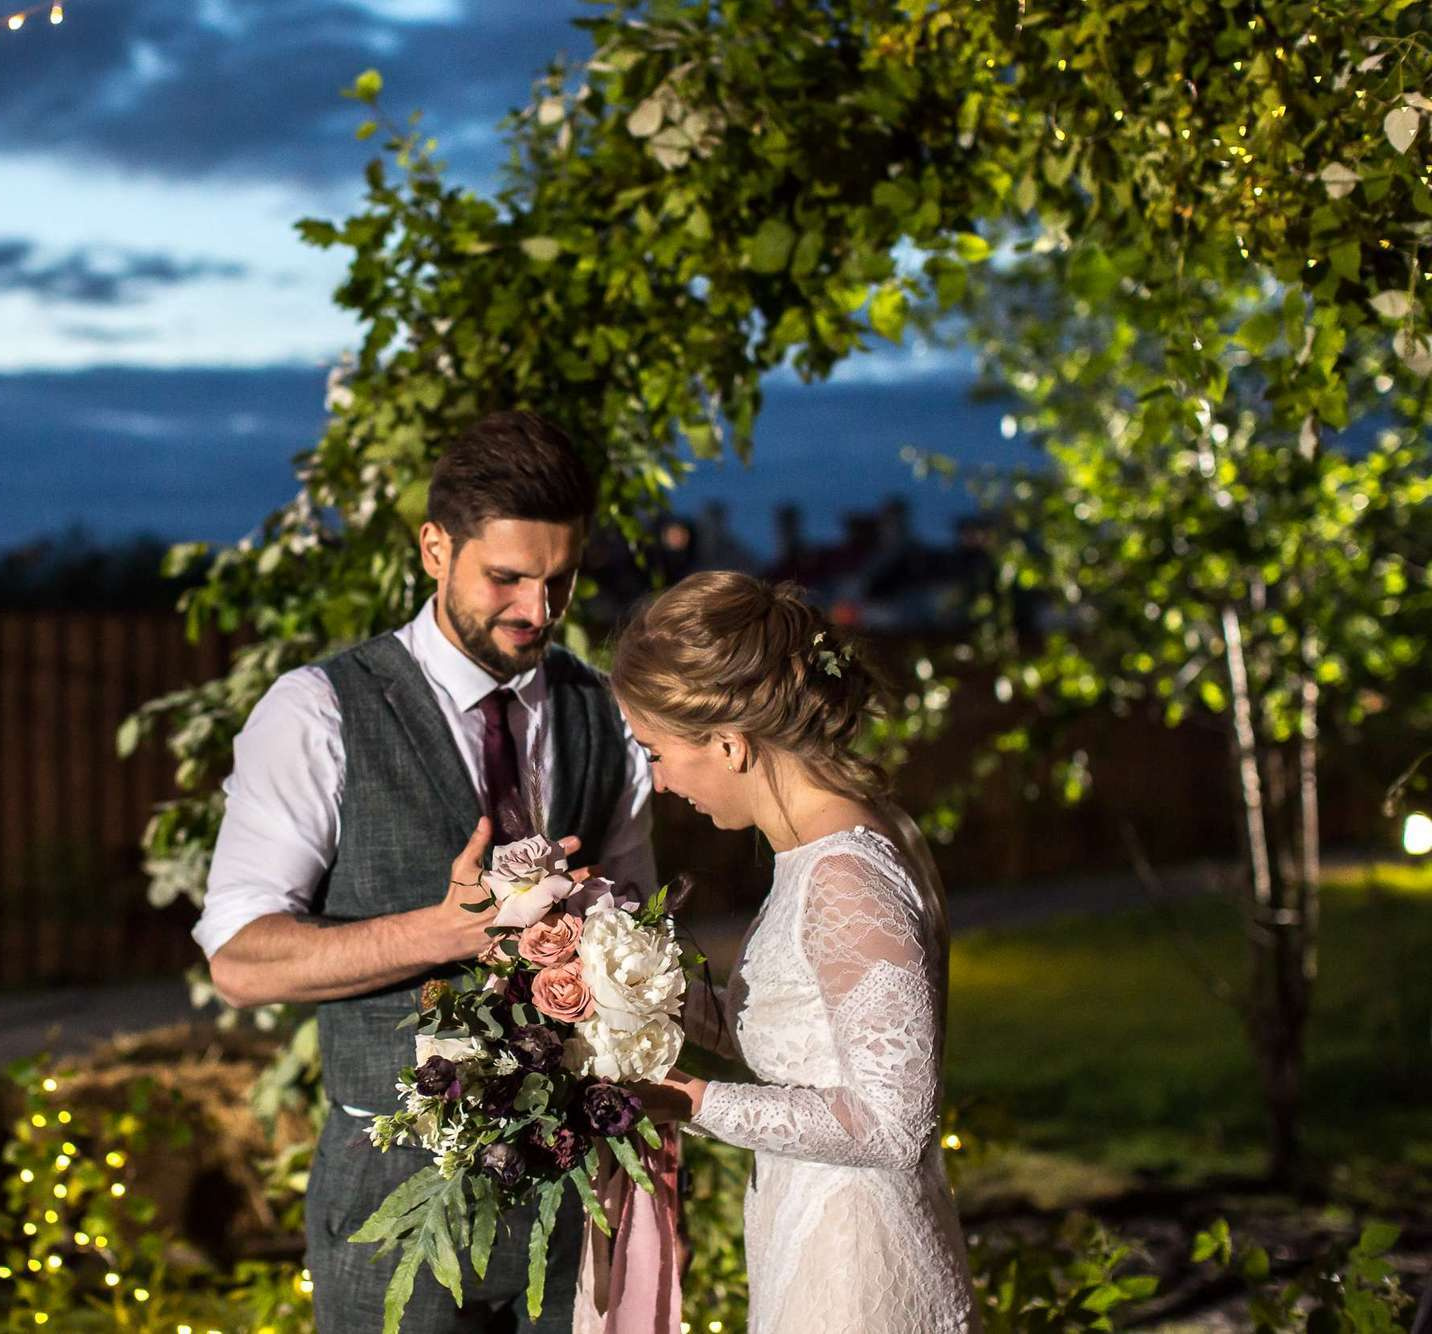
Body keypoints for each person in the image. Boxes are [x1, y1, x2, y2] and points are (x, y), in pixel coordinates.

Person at [192, 409, 657, 1334]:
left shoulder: (605, 716)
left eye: (559, 582)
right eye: (506, 579)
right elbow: (240, 961)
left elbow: (637, 927)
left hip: (570, 1193)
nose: (537, 611)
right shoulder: (318, 711)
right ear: (434, 549)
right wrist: (442, 934)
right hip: (387, 1193)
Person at [611, 571, 979, 1333]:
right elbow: (794, 1039)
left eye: (655, 751)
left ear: (728, 744)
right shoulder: (818, 853)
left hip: (856, 1271)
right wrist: (621, 984)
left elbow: (893, 1123)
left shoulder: (844, 877)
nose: (659, 781)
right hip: (808, 1231)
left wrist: (693, 1102)